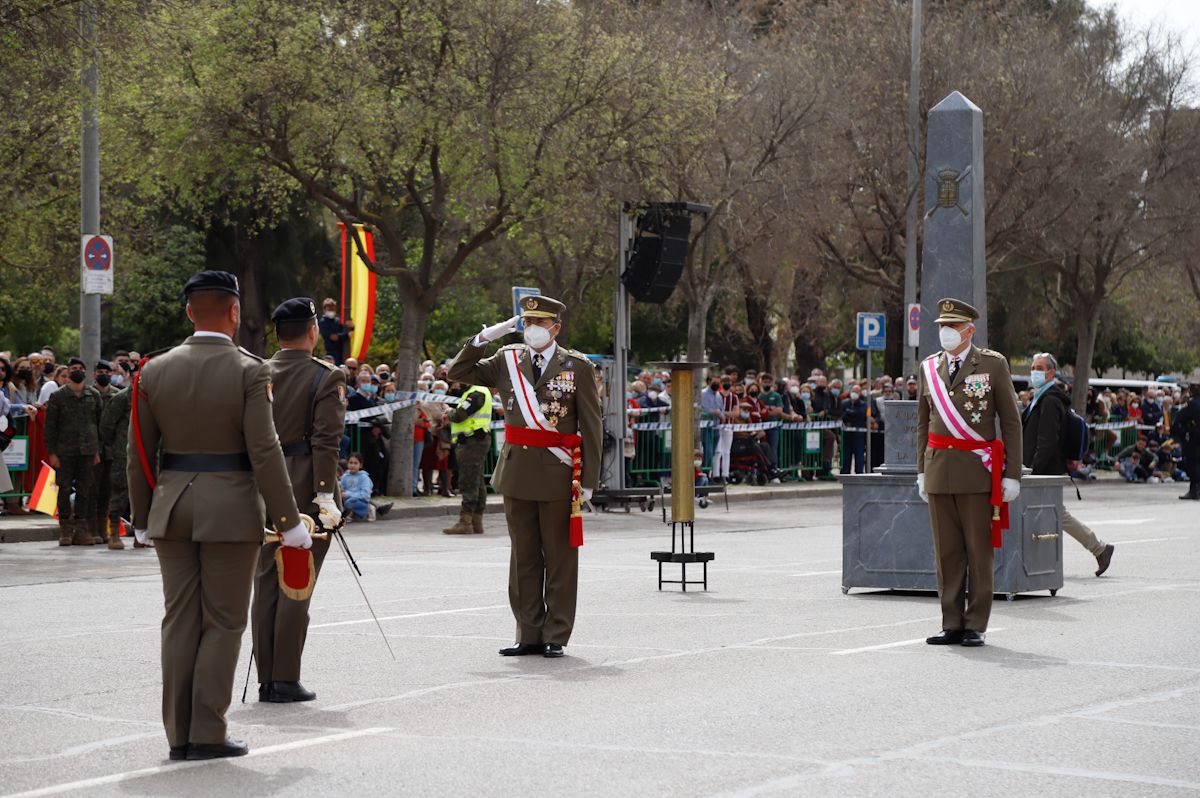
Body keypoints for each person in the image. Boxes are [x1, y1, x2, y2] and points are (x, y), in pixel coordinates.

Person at [127, 270, 308, 761]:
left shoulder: (153, 370)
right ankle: (207, 732)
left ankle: (178, 735)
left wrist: (142, 516)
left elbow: (139, 451)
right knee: (224, 622)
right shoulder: (250, 370)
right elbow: (265, 450)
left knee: (179, 621)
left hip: (171, 507)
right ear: (233, 312)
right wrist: (289, 520)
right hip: (230, 508)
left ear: (189, 312)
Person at [448, 294, 601, 658]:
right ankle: (528, 632)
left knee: (560, 559)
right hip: (517, 472)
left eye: (540, 323)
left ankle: (556, 633)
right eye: (527, 323)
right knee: (524, 558)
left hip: (559, 473)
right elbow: (458, 373)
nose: (532, 329)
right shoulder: (508, 359)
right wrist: (486, 336)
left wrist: (589, 481)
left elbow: (591, 426)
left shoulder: (576, 366)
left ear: (556, 328)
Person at [251, 297, 346, 704]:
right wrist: (325, 494)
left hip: (260, 486)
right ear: (313, 331)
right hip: (305, 485)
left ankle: (267, 677)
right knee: (296, 581)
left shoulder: (256, 373)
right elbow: (326, 441)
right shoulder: (326, 375)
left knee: (265, 582)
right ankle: (285, 678)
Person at [916, 298, 1022, 648]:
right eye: (942, 327)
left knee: (978, 550)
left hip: (977, 472)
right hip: (938, 471)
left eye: (953, 327)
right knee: (946, 553)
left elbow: (1010, 422)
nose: (945, 333)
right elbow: (922, 424)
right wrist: (920, 471)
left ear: (969, 330)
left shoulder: (992, 364)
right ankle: (951, 622)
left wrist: (1012, 475)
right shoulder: (929, 367)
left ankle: (976, 622)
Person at [1022, 352, 1114, 576]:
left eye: (1040, 367)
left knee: (1052, 515)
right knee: (1048, 515)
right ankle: (1099, 549)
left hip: (1043, 471)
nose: (1035, 371)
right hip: (1040, 469)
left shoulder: (1051, 400)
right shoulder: (1040, 397)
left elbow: (1047, 441)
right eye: (1033, 367)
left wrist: (1033, 471)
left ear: (1051, 372)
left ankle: (1099, 549)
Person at [43, 358, 103, 546]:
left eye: (80, 369)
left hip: (87, 450)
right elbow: (50, 427)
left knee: (85, 490)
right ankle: (65, 530)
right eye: (73, 369)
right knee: (64, 488)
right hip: (65, 451)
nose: (77, 371)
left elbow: (99, 424)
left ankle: (81, 529)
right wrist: (52, 452)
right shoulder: (58, 396)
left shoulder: (93, 395)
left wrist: (97, 451)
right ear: (67, 372)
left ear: (85, 372)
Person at [442, 381, 494, 535]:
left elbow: (459, 416)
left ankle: (465, 522)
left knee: (468, 481)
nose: (457, 384)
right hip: (475, 440)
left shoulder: (476, 393)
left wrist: (449, 412)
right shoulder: (478, 391)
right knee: (476, 481)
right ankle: (476, 522)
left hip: (472, 441)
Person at [99, 381, 138, 549]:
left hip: (148, 452)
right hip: (124, 452)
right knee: (120, 492)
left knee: (144, 495)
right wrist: (116, 445)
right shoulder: (122, 398)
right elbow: (106, 426)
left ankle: (141, 535)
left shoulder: (154, 397)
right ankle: (113, 532)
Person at [90, 360, 119, 546]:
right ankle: (92, 530)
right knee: (92, 490)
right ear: (94, 374)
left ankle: (103, 529)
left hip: (111, 450)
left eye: (107, 372)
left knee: (107, 491)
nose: (104, 375)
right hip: (92, 449)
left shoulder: (118, 395)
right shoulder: (88, 394)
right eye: (100, 371)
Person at [1175, 382, 1200, 500]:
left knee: (1193, 463)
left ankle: (1194, 490)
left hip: (1195, 437)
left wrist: (1180, 432)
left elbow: (1179, 417)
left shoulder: (1192, 403)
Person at [317, 298, 354, 365]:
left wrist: (352, 328)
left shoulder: (337, 320)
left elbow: (345, 330)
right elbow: (333, 337)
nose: (331, 311)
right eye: (329, 309)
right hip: (332, 352)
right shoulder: (323, 322)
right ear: (324, 309)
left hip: (342, 350)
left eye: (333, 309)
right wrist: (347, 336)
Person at [340, 453, 375, 520]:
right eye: (351, 463)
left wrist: (347, 494)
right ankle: (349, 513)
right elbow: (342, 488)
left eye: (355, 463)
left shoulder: (364, 477)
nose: (353, 465)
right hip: (346, 500)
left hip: (360, 501)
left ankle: (368, 508)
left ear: (360, 465)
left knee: (350, 502)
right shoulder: (345, 476)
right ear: (347, 464)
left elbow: (365, 495)